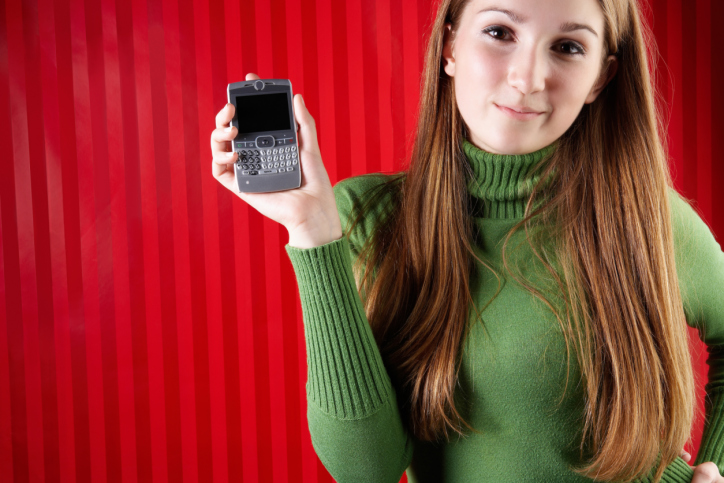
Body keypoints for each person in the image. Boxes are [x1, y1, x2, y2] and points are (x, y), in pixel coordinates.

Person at [209, 0, 724, 481]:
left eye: (568, 47)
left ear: (601, 78)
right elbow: (367, 469)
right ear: (451, 48)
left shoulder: (647, 221)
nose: (527, 79)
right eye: (500, 32)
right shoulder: (368, 218)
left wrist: (715, 465)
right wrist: (312, 233)